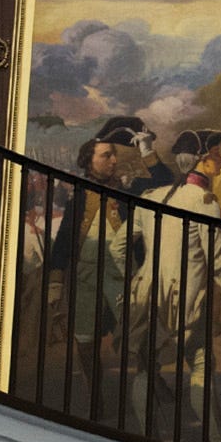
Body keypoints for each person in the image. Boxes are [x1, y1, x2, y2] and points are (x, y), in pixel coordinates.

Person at [136, 129, 221, 442]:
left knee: (146, 364)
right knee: (201, 364)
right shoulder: (205, 202)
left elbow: (122, 247)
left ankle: (144, 439)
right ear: (203, 161)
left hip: (149, 297)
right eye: (216, 154)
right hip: (185, 303)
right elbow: (219, 264)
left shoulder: (153, 198)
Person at [44, 136, 147, 412]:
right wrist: (56, 280)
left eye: (113, 155)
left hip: (123, 274)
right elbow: (65, 238)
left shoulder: (126, 194)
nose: (113, 160)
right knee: (85, 340)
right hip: (86, 276)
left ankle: (151, 383)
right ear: (89, 160)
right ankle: (96, 396)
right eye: (105, 156)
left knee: (137, 331)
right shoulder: (78, 196)